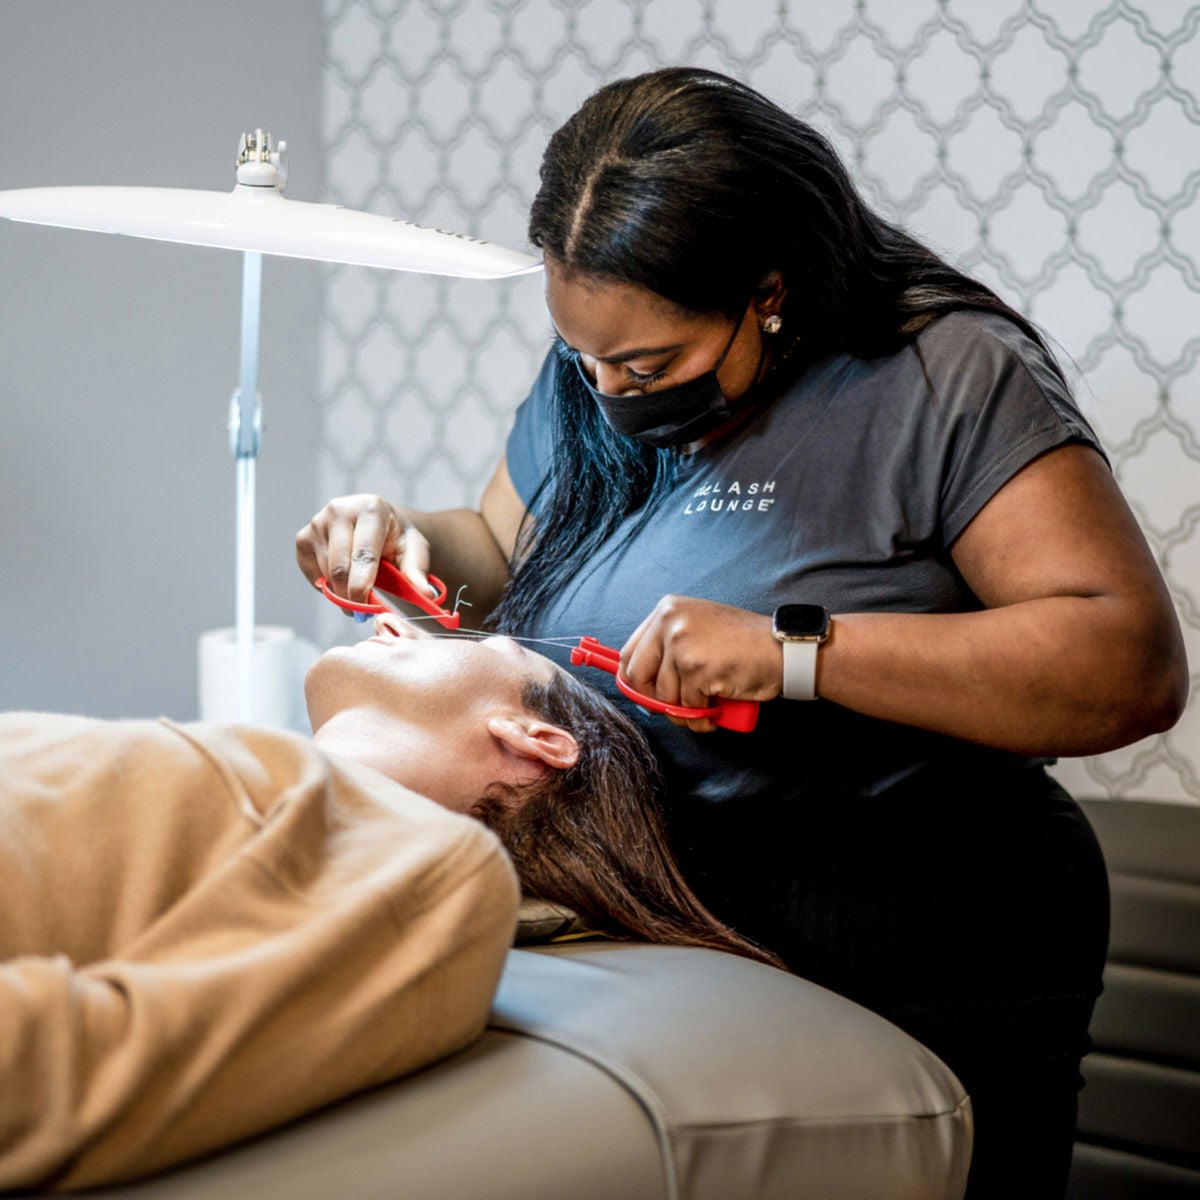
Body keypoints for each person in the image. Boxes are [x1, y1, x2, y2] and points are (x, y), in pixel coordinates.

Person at [296, 68, 1189, 1198]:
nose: (613, 392)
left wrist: (794, 654)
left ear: (767, 290)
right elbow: (495, 543)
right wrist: (402, 536)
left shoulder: (935, 377)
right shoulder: (602, 369)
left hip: (916, 918)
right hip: (677, 920)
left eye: (648, 365)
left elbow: (1125, 665)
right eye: (587, 359)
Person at [0, 616, 767, 1192]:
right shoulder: (273, 786)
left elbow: (71, 1070)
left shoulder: (439, 876)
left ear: (537, 741)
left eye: (490, 643)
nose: (402, 621)